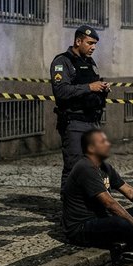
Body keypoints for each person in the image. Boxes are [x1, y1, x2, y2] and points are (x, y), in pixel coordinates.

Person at [62, 129, 133, 261]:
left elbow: (130, 192)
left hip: (100, 221)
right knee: (123, 222)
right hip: (81, 228)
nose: (108, 144)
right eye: (102, 142)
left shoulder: (105, 167)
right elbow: (109, 204)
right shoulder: (85, 168)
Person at [51, 26, 110, 190]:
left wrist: (102, 90)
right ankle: (70, 211)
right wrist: (90, 87)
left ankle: (89, 209)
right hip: (74, 123)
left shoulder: (90, 62)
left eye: (95, 44)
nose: (93, 47)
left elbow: (91, 89)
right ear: (78, 41)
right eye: (90, 43)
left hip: (92, 122)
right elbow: (61, 91)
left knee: (95, 167)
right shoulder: (62, 62)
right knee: (73, 168)